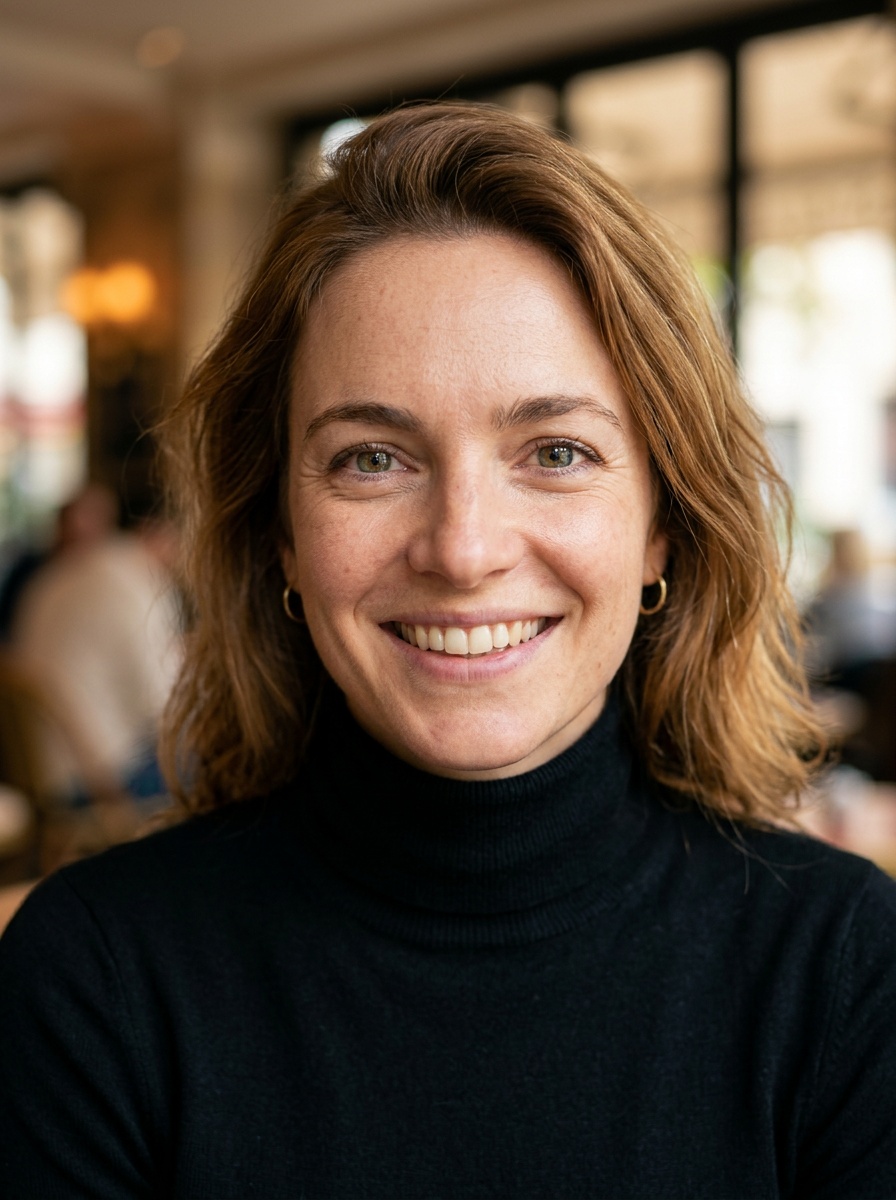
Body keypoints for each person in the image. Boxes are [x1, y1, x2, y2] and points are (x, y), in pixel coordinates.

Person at [1, 103, 894, 1198]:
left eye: (555, 451)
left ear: (661, 522)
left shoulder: (846, 968)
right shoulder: (94, 979)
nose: (462, 549)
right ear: (281, 529)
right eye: (371, 458)